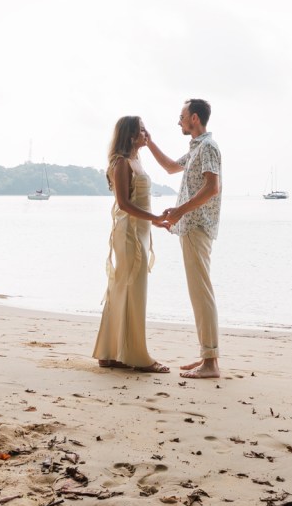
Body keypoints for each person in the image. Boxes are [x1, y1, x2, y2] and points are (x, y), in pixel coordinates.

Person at [146, 98, 222, 380]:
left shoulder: (208, 147)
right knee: (198, 292)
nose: (178, 121)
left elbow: (212, 188)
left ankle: (211, 363)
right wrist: (150, 142)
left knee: (201, 292)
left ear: (194, 118)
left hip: (197, 226)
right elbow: (168, 167)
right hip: (190, 226)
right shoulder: (196, 149)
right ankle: (207, 355)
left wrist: (179, 211)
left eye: (181, 116)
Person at [91, 115, 170, 373]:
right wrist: (154, 218)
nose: (146, 134)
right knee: (129, 289)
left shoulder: (137, 161)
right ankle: (135, 355)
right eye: (142, 130)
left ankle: (110, 352)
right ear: (130, 135)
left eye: (146, 129)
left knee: (124, 288)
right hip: (129, 233)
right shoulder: (123, 163)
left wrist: (153, 222)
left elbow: (139, 200)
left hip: (140, 229)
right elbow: (124, 204)